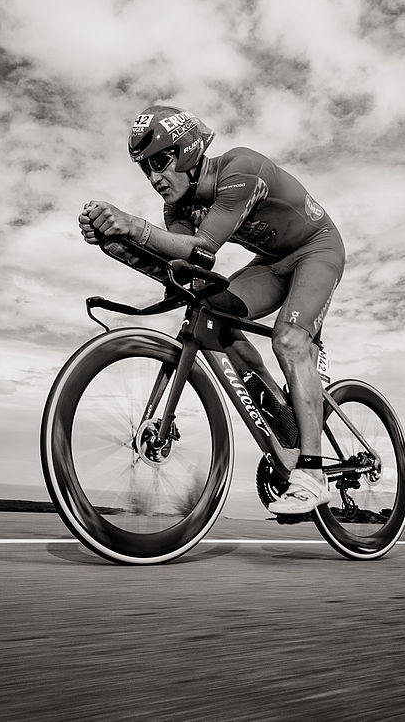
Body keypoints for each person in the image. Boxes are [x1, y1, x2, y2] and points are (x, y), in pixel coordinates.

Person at [79, 105, 346, 515]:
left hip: (317, 250)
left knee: (289, 339)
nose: (154, 179)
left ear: (186, 151)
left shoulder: (241, 169)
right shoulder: (178, 208)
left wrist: (130, 224)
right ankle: (283, 416)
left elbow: (202, 248)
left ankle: (311, 473)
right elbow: (185, 271)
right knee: (212, 311)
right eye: (146, 169)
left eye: (160, 163)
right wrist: (114, 244)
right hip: (271, 264)